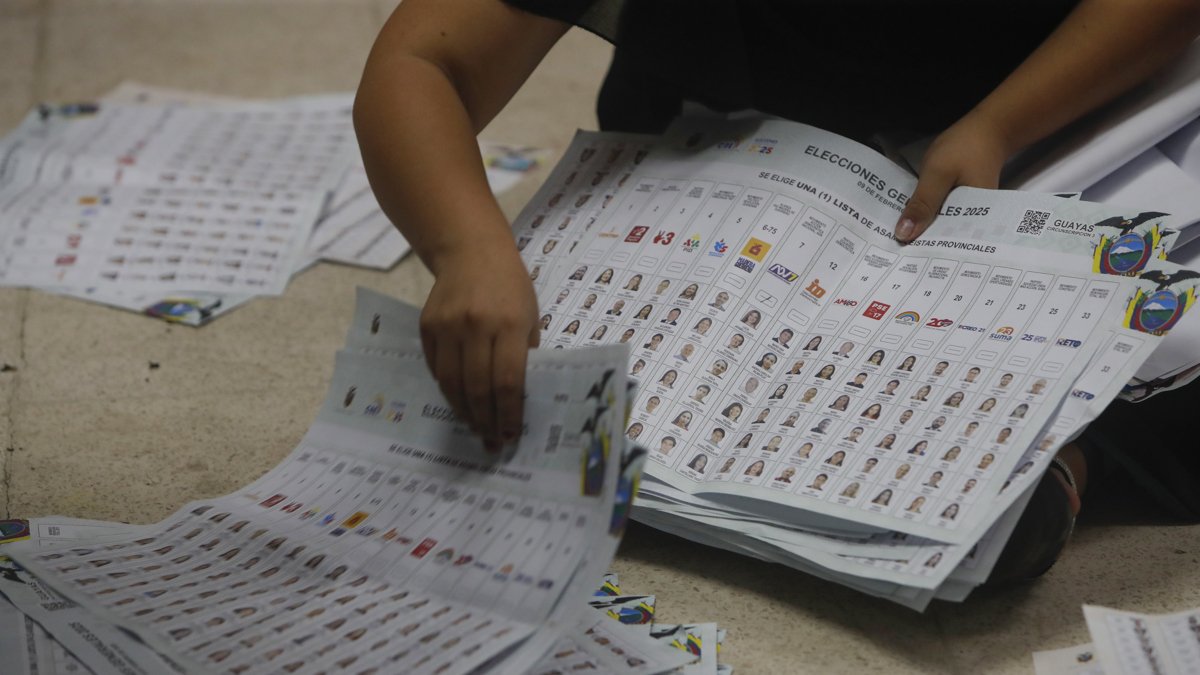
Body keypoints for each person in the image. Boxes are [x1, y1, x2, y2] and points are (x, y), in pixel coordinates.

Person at [357, 0, 1200, 583]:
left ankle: (1071, 467)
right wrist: (467, 248)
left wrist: (998, 126)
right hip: (728, 153)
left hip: (1054, 120)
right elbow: (423, 58)